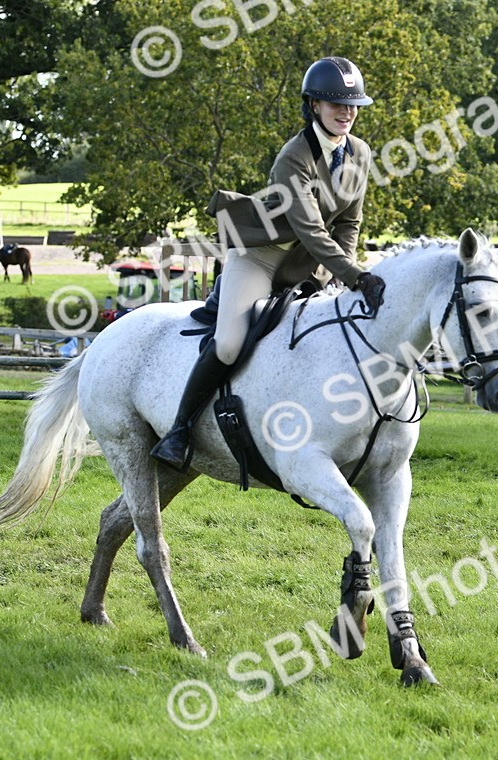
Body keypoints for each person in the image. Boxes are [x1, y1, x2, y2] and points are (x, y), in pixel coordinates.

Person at [152, 56, 379, 470]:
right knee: (230, 343)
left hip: (313, 259)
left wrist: (345, 275)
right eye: (336, 104)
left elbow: (349, 221)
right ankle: (180, 430)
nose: (347, 113)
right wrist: (357, 275)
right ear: (313, 105)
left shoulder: (360, 153)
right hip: (260, 255)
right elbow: (310, 229)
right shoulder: (293, 156)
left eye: (352, 105)